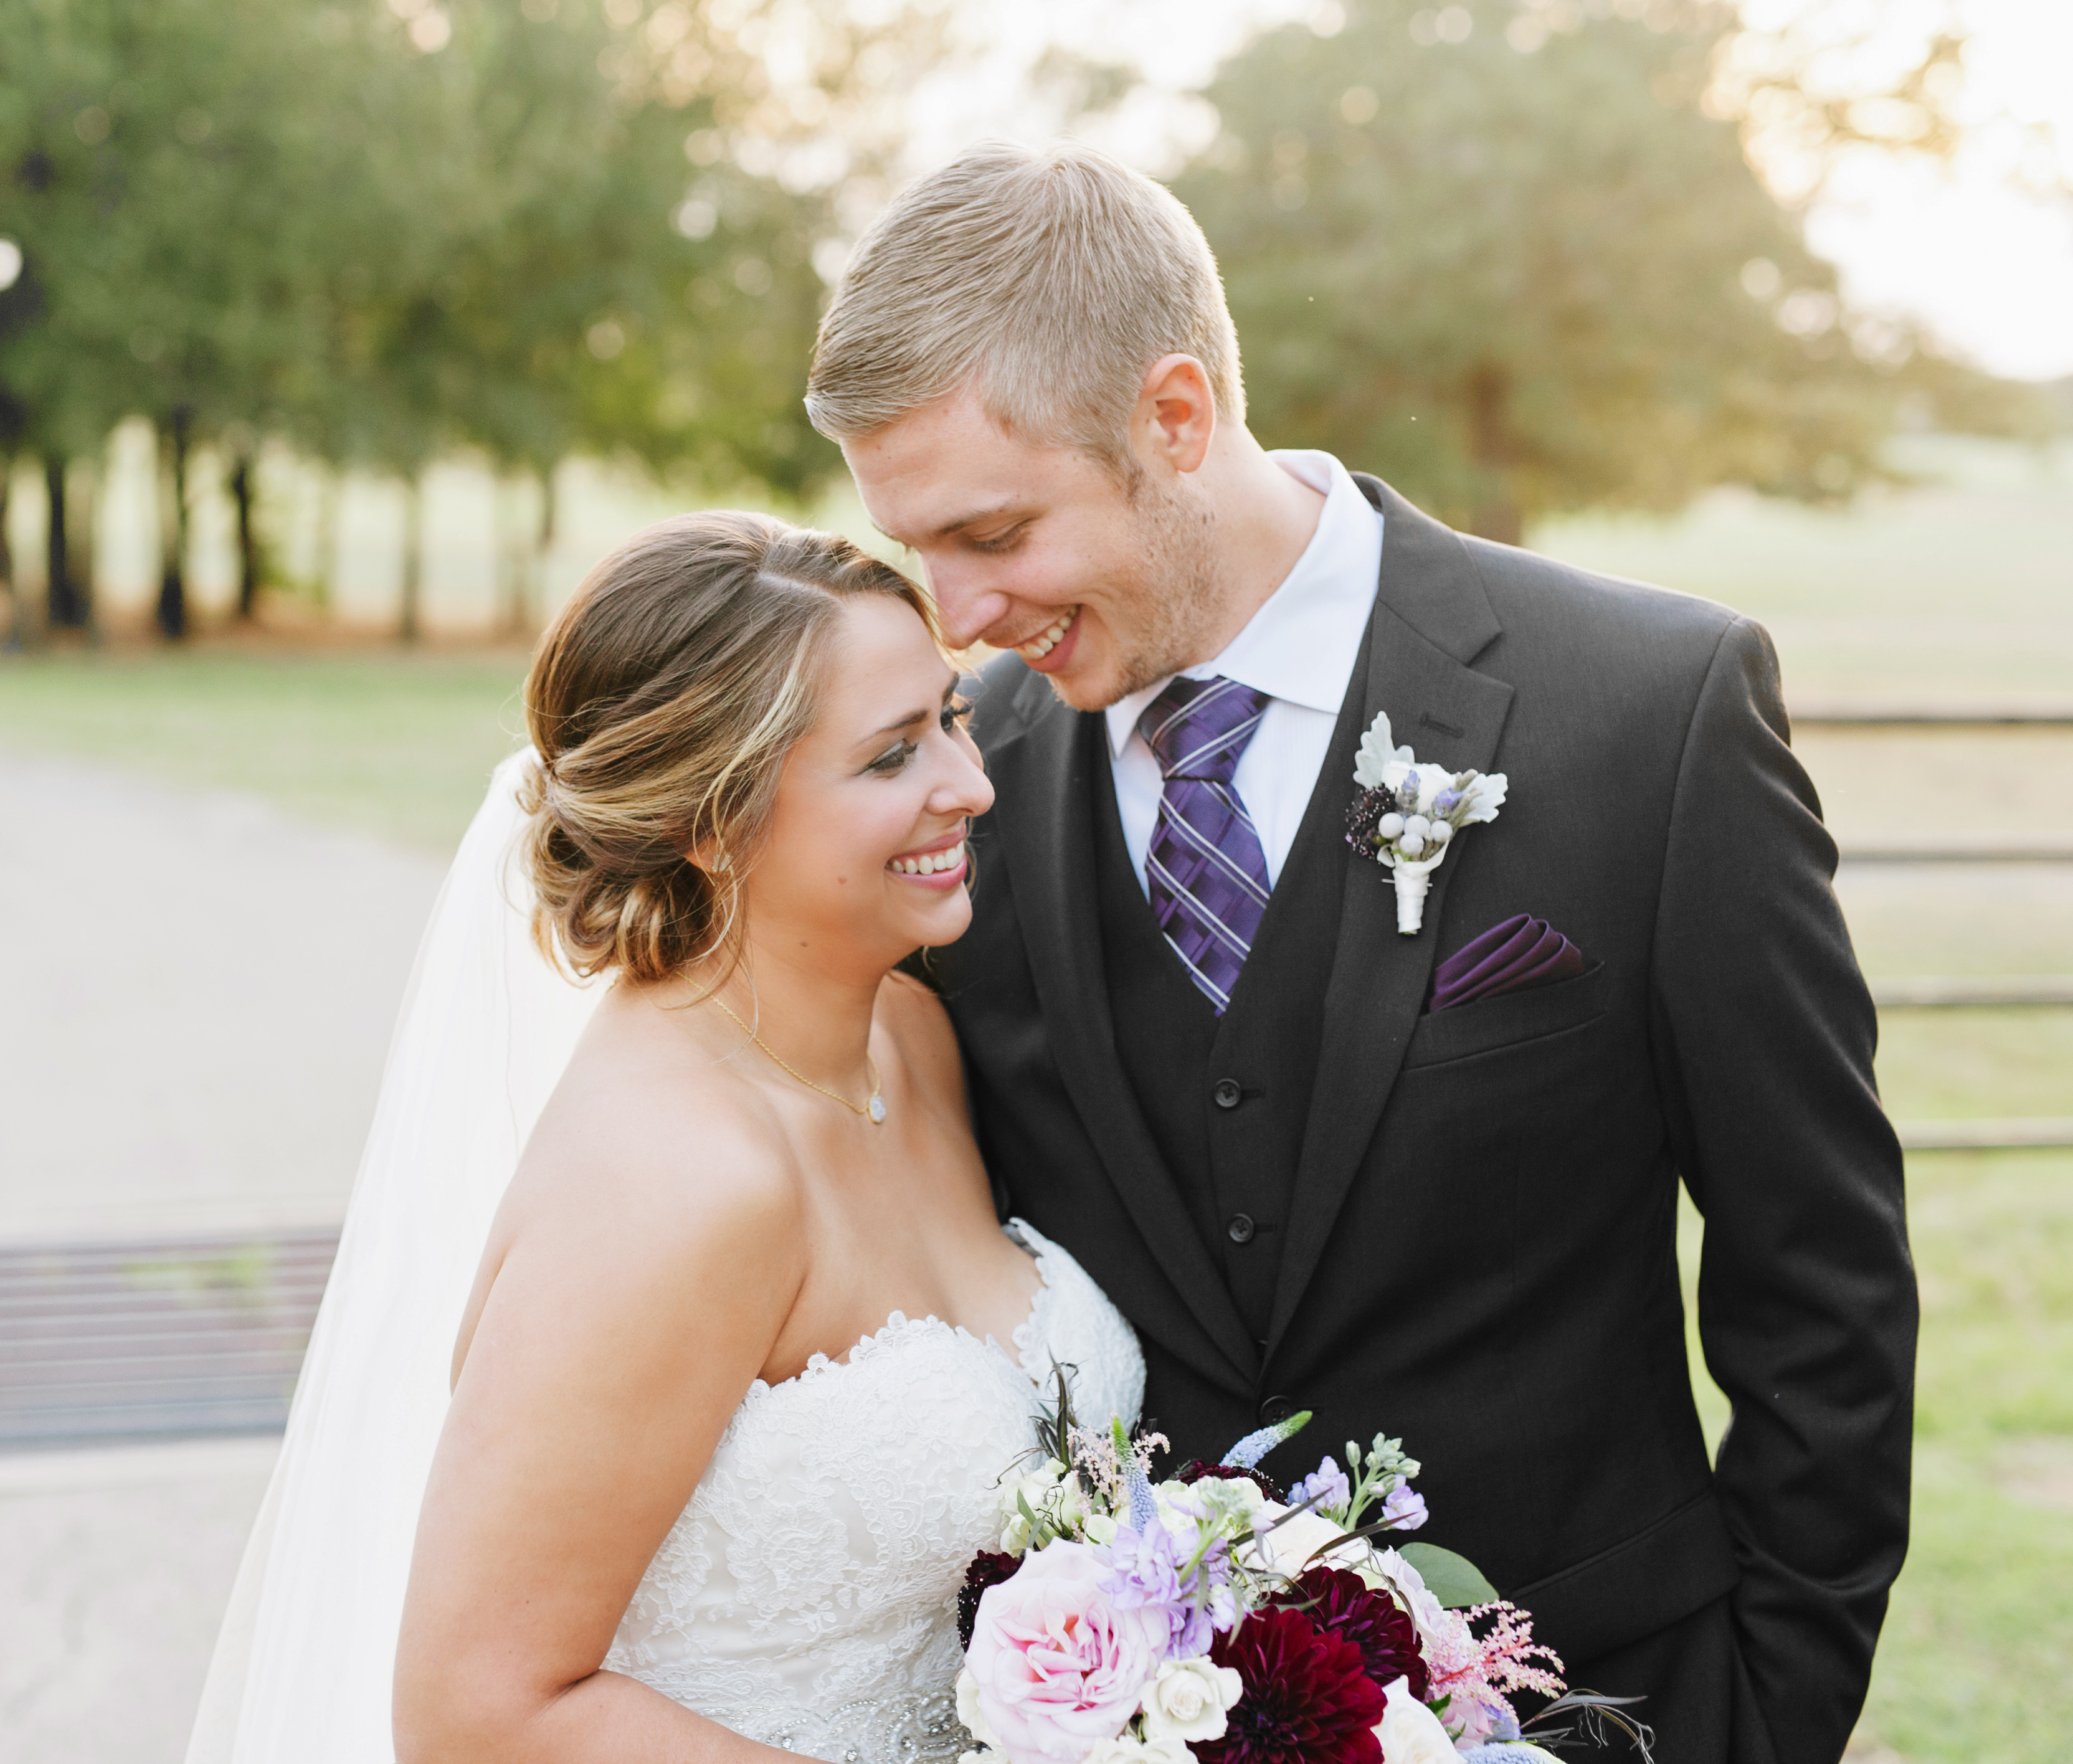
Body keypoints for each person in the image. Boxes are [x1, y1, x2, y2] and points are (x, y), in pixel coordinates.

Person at [803, 141, 1917, 1764]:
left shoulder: (1648, 716)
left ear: (1175, 420)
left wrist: (1769, 1718)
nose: (959, 617)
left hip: (1613, 1699)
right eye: (925, 551)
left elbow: (1821, 1287)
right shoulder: (970, 789)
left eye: (995, 531)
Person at [189, 513, 1144, 1764]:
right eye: (888, 757)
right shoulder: (679, 1184)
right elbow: (477, 1711)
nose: (968, 784)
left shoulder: (906, 1038)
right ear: (710, 820)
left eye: (952, 717)